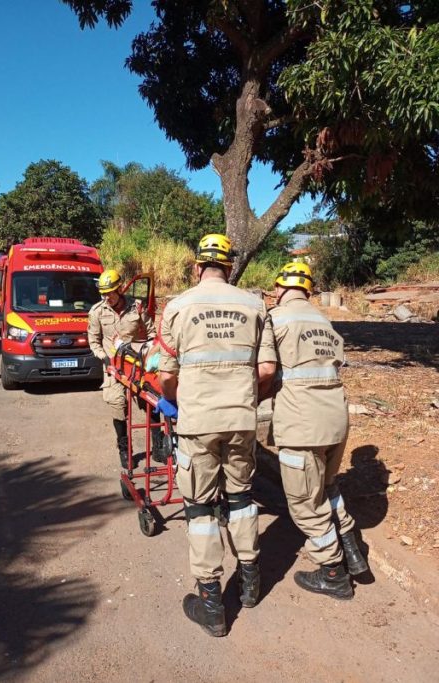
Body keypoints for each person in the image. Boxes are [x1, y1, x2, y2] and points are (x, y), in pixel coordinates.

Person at [157, 234, 278, 637]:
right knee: (242, 499)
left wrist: (179, 401)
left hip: (198, 423)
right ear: (229, 267)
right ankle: (250, 583)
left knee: (201, 507)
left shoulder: (176, 308)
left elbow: (166, 376)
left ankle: (211, 603)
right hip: (243, 420)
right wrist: (244, 400)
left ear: (197, 267)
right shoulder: (256, 305)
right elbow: (265, 372)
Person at [267, 261, 369, 598]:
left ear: (280, 288)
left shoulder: (275, 320)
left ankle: (333, 573)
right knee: (326, 486)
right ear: (308, 290)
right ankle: (353, 549)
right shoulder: (325, 322)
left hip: (302, 426)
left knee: (305, 504)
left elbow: (265, 370)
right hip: (336, 421)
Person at [87, 269, 159, 468]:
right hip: (113, 367)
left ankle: (159, 444)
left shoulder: (136, 308)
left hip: (137, 365)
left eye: (110, 292)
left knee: (151, 402)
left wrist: (150, 353)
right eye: (103, 293)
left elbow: (152, 333)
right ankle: (124, 450)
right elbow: (93, 342)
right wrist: (105, 359)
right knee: (117, 405)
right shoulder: (96, 312)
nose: (107, 297)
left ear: (119, 289)